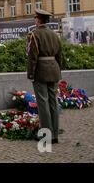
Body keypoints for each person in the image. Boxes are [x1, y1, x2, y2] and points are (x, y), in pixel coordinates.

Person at [27, 9, 62, 144]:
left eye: (35, 18)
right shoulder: (54, 35)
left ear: (38, 20)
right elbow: (59, 55)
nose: (35, 20)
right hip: (54, 70)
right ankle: (54, 134)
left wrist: (30, 74)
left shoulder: (34, 35)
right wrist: (58, 69)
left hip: (41, 71)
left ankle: (46, 134)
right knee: (53, 101)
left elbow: (32, 57)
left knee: (43, 103)